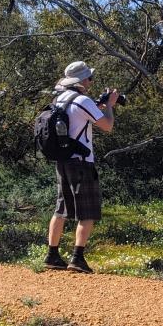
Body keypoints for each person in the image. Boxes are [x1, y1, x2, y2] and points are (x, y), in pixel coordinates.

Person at [44, 61, 119, 273]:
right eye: (89, 78)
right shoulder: (83, 99)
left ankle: (52, 255)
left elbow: (77, 119)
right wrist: (110, 105)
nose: (90, 82)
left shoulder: (59, 99)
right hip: (82, 162)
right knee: (88, 211)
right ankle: (77, 258)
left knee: (61, 208)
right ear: (82, 81)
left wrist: (100, 106)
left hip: (62, 160)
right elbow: (107, 126)